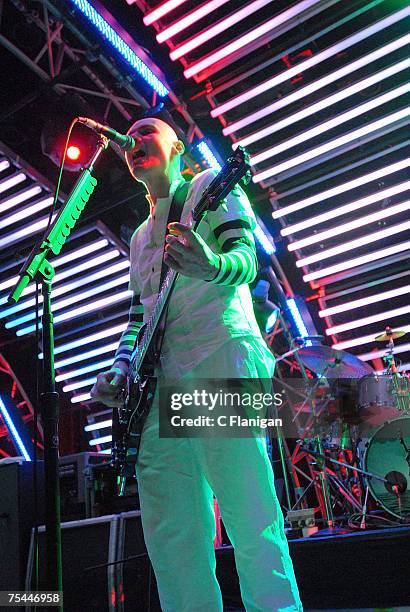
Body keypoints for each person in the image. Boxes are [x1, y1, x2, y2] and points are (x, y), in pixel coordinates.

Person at [91, 117, 302, 611]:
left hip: (216, 353)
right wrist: (121, 369)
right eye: (130, 136)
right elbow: (138, 316)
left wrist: (211, 266)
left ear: (177, 147)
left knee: (248, 517)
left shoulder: (209, 185)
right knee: (173, 536)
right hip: (160, 385)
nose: (134, 140)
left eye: (147, 130)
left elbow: (246, 259)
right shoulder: (142, 236)